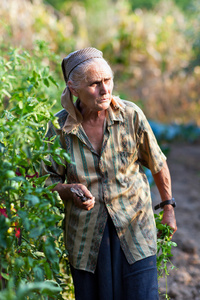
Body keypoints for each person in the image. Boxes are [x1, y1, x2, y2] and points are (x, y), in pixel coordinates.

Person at [41, 47, 177, 300]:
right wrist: (68, 190)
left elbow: (158, 163)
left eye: (108, 80)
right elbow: (46, 179)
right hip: (87, 239)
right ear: (74, 89)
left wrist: (168, 207)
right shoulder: (59, 129)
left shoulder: (131, 116)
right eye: (94, 84)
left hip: (135, 230)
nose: (105, 89)